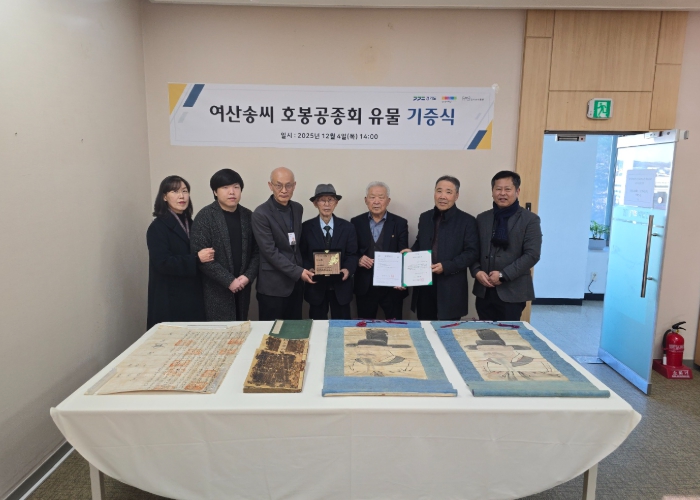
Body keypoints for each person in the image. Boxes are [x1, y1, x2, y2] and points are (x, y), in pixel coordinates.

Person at [404, 175, 479, 321]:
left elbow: (472, 253)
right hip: (425, 284)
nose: (442, 196)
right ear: (434, 193)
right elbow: (420, 242)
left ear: (456, 196)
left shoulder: (467, 221)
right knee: (425, 326)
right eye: (439, 191)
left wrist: (446, 266)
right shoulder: (425, 217)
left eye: (448, 192)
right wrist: (411, 252)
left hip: (451, 286)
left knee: (448, 330)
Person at [471, 170, 542, 321]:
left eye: (507, 189)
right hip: (484, 290)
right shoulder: (482, 218)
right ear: (492, 192)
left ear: (517, 191)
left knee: (509, 334)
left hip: (513, 292)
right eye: (498, 189)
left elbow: (532, 254)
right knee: (484, 331)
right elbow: (472, 250)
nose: (502, 193)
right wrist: (476, 271)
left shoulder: (530, 220)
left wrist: (503, 275)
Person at [190, 169, 259, 321]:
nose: (231, 192)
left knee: (241, 328)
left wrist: (247, 277)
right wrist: (229, 281)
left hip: (243, 287)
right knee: (219, 331)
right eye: (225, 187)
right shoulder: (205, 216)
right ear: (215, 192)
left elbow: (257, 251)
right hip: (215, 290)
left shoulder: (249, 216)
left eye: (236, 187)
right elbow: (201, 257)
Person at [146, 175, 213, 329]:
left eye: (184, 191)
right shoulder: (157, 228)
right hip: (170, 296)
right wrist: (196, 258)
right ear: (164, 197)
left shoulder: (192, 223)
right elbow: (162, 263)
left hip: (193, 294)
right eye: (175, 191)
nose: (181, 196)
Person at [252, 167, 315, 320]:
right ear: (270, 186)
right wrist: (298, 272)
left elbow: (295, 246)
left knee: (294, 330)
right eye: (278, 185)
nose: (284, 190)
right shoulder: (261, 214)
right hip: (273, 287)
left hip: (296, 284)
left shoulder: (297, 208)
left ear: (294, 185)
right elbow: (270, 252)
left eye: (288, 185)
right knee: (272, 332)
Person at [351, 181, 409, 319]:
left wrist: (403, 280)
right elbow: (351, 251)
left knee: (395, 326)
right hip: (365, 285)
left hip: (392, 287)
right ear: (366, 200)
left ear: (388, 201)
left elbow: (404, 253)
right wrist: (359, 259)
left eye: (381, 197)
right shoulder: (356, 222)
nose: (376, 201)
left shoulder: (400, 223)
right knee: (364, 326)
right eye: (372, 197)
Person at [300, 184, 358, 320]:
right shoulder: (305, 228)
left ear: (336, 203)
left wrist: (348, 269)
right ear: (315, 203)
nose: (327, 204)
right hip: (316, 287)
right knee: (317, 326)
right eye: (322, 200)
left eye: (330, 200)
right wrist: (308, 268)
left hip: (341, 286)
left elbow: (353, 254)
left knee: (341, 326)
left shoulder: (348, 227)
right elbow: (301, 254)